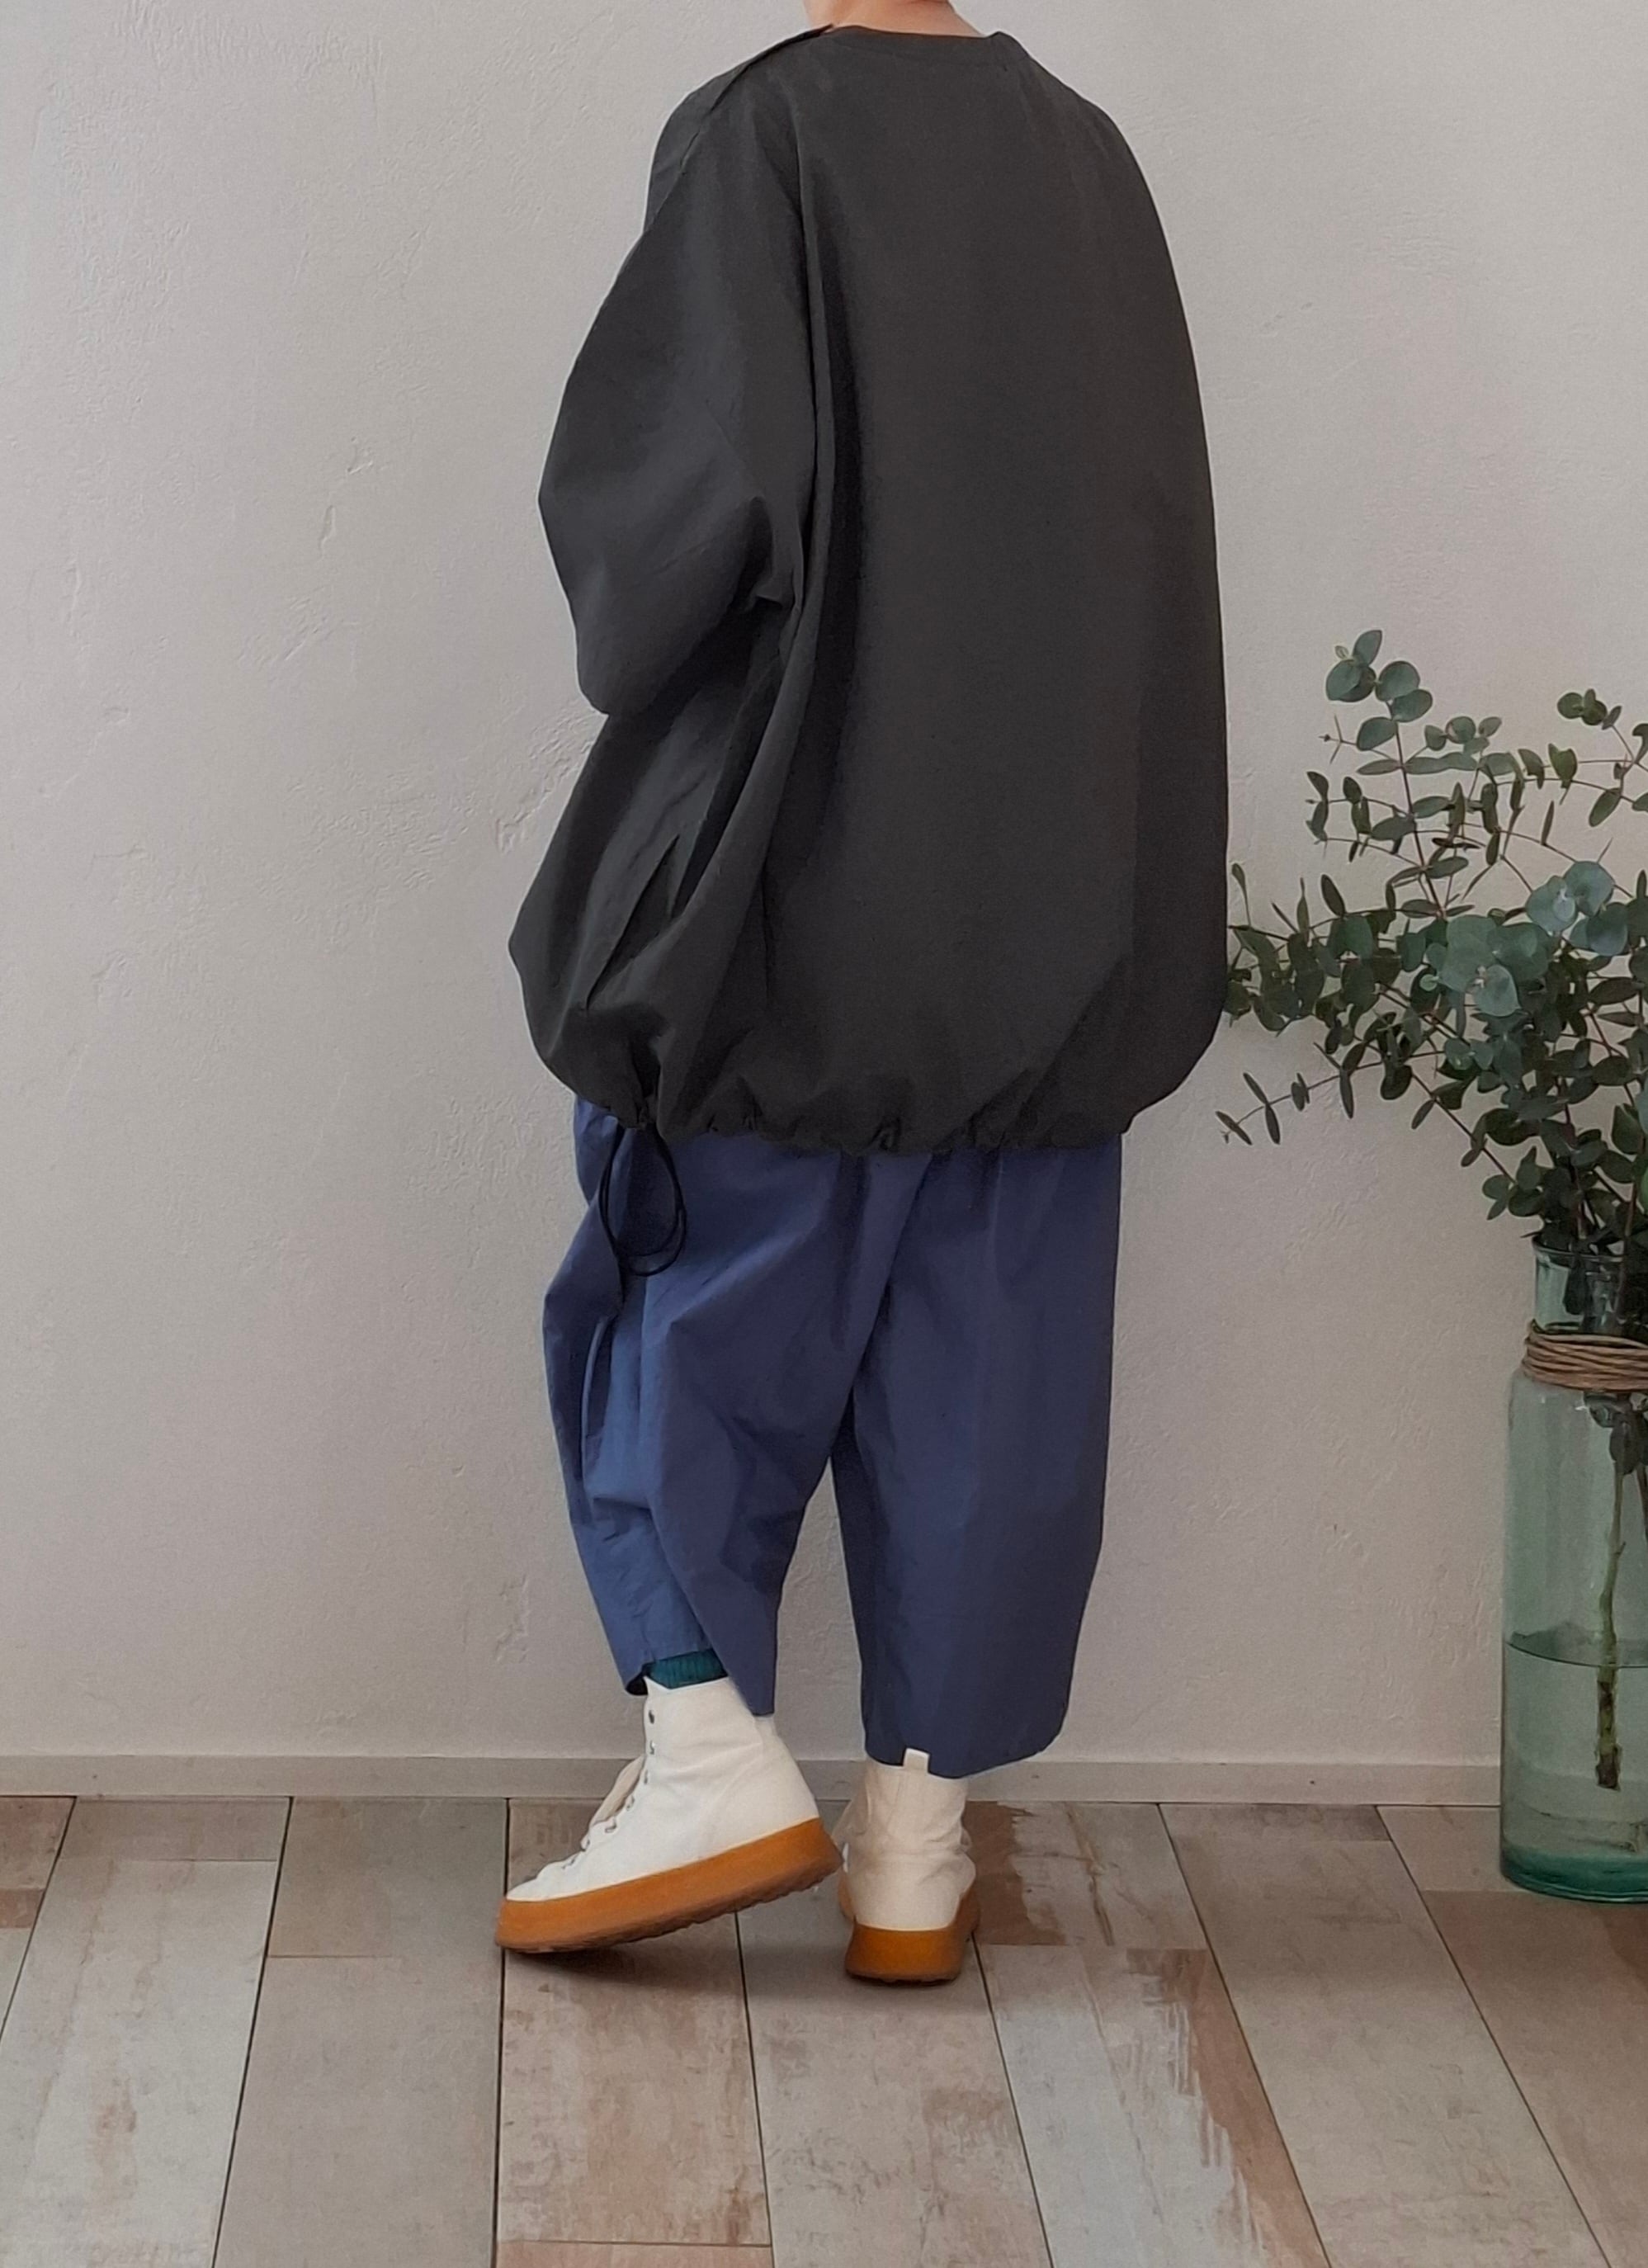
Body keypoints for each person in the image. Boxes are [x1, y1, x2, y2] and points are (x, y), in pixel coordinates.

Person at [499, 0, 1226, 1983]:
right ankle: (917, 1844)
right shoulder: (1089, 162)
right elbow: (1147, 540)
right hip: (1049, 923)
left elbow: (670, 539)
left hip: (799, 914)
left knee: (689, 1315)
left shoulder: (766, 136)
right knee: (988, 1370)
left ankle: (708, 1752)